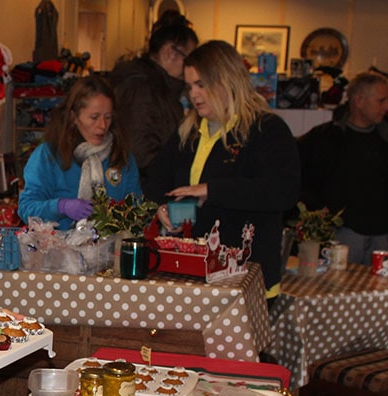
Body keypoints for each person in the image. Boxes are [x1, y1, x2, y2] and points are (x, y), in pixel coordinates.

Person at [146, 40, 300, 297]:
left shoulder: (267, 130)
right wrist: (163, 208)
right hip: (191, 273)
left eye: (201, 85)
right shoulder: (188, 134)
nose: (193, 94)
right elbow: (156, 182)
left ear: (228, 80)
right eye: (190, 86)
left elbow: (283, 191)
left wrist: (212, 190)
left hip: (246, 278)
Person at [298, 70, 388, 264]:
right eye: (381, 101)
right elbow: (294, 172)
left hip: (382, 238)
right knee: (337, 290)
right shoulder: (326, 138)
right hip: (342, 235)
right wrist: (316, 206)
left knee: (379, 294)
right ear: (359, 101)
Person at [17, 75, 142, 230]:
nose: (102, 125)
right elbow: (26, 208)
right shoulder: (49, 156)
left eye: (108, 117)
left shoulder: (122, 157)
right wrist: (60, 207)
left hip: (109, 249)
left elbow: (137, 209)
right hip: (59, 249)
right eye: (94, 117)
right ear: (73, 117)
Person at [109, 10, 198, 181]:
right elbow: (139, 152)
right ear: (169, 53)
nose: (192, 67)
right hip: (142, 191)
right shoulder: (141, 88)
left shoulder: (161, 88)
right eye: (190, 59)